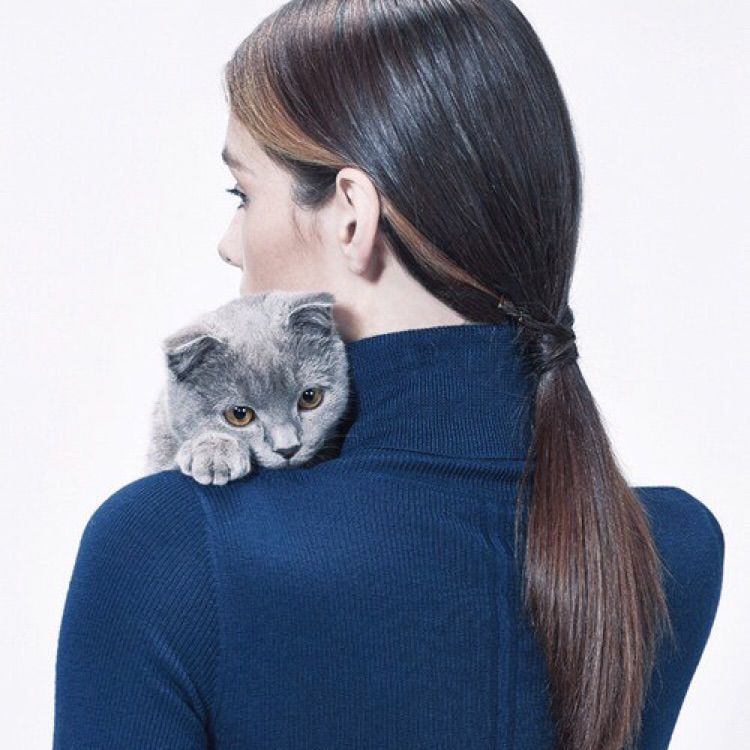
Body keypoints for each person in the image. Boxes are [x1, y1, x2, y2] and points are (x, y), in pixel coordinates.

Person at [52, 2, 724, 748]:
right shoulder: (663, 550)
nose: (229, 243)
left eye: (243, 196)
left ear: (352, 215)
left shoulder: (168, 547)